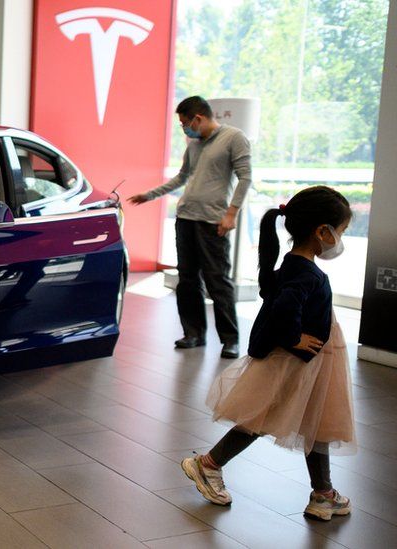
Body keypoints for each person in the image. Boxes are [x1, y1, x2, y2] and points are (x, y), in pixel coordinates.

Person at [180, 186, 356, 522]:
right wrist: (294, 339)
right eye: (342, 231)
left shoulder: (291, 265)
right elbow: (285, 309)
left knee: (315, 421)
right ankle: (208, 464)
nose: (341, 239)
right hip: (301, 359)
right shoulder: (308, 274)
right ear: (322, 231)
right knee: (267, 417)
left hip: (311, 360)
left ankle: (323, 493)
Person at [128, 96, 252, 359]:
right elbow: (182, 177)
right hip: (186, 219)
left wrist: (231, 214)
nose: (184, 128)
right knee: (187, 280)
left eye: (185, 122)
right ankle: (193, 333)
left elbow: (245, 177)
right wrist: (149, 195)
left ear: (198, 118)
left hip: (212, 222)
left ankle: (230, 340)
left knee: (217, 281)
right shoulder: (193, 144)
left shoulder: (233, 138)